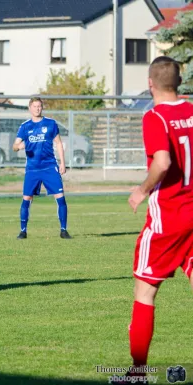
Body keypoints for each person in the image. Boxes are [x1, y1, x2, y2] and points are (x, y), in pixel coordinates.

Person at [112, 56, 193, 384]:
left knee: (144, 292)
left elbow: (162, 160)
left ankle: (137, 374)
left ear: (150, 83)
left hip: (168, 220)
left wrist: (142, 189)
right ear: (179, 81)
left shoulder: (155, 116)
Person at [12, 97, 71, 240]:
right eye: (34, 106)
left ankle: (63, 230)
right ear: (30, 108)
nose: (37, 109)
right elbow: (15, 146)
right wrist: (19, 146)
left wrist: (62, 163)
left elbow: (58, 143)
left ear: (42, 108)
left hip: (50, 167)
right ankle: (23, 231)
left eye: (39, 106)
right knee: (27, 198)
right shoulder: (25, 126)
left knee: (60, 197)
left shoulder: (50, 124)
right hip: (32, 169)